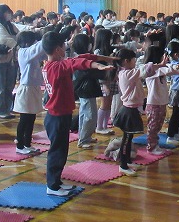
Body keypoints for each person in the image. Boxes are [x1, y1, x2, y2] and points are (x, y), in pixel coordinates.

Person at [41, 31, 111, 196]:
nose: (66, 48)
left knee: (61, 151)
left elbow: (79, 58)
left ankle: (57, 182)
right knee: (57, 152)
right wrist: (97, 65)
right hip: (56, 117)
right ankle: (52, 186)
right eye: (63, 46)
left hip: (60, 114)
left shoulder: (52, 65)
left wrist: (103, 58)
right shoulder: (56, 67)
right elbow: (75, 63)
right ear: (58, 50)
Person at [113, 49, 146, 176]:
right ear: (126, 61)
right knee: (126, 140)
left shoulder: (128, 72)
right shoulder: (126, 74)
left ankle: (127, 162)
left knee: (128, 138)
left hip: (131, 109)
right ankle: (123, 165)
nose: (135, 62)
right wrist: (158, 65)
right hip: (128, 111)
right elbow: (144, 70)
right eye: (134, 60)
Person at [13, 31, 46, 155]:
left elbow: (43, 52)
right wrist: (47, 36)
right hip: (26, 89)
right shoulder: (24, 52)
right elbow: (39, 47)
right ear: (27, 42)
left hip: (34, 88)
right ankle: (20, 145)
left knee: (31, 117)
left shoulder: (30, 54)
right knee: (24, 119)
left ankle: (27, 144)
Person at [0, 4, 18, 119]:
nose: (9, 15)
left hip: (10, 59)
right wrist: (18, 45)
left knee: (9, 86)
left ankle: (7, 109)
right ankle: (0, 110)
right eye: (7, 12)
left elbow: (18, 35)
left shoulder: (9, 25)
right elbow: (5, 40)